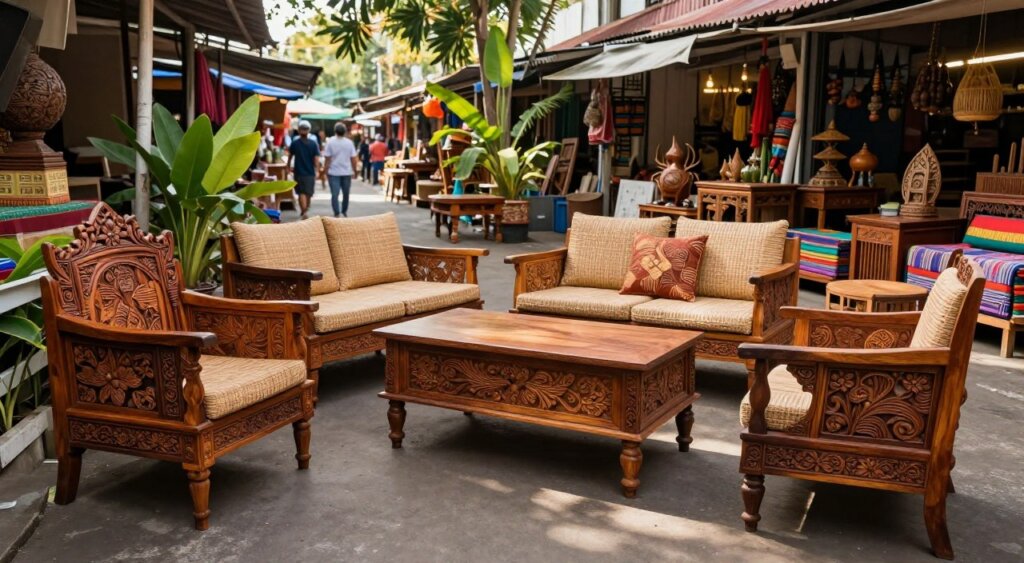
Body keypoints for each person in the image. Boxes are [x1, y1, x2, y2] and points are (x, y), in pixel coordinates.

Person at [323, 123, 358, 217]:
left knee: (335, 194)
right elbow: (353, 159)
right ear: (345, 131)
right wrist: (355, 171)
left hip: (333, 172)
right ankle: (344, 210)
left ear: (335, 131)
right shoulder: (349, 143)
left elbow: (327, 158)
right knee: (346, 193)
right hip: (346, 172)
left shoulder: (330, 142)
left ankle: (336, 212)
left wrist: (325, 171)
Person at [287, 120, 320, 220]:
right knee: (305, 193)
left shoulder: (296, 143)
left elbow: (290, 156)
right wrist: (317, 170)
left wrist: (288, 166)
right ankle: (304, 210)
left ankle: (304, 209)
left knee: (305, 193)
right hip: (306, 173)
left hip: (302, 172)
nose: (304, 130)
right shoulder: (312, 144)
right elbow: (316, 159)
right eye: (303, 129)